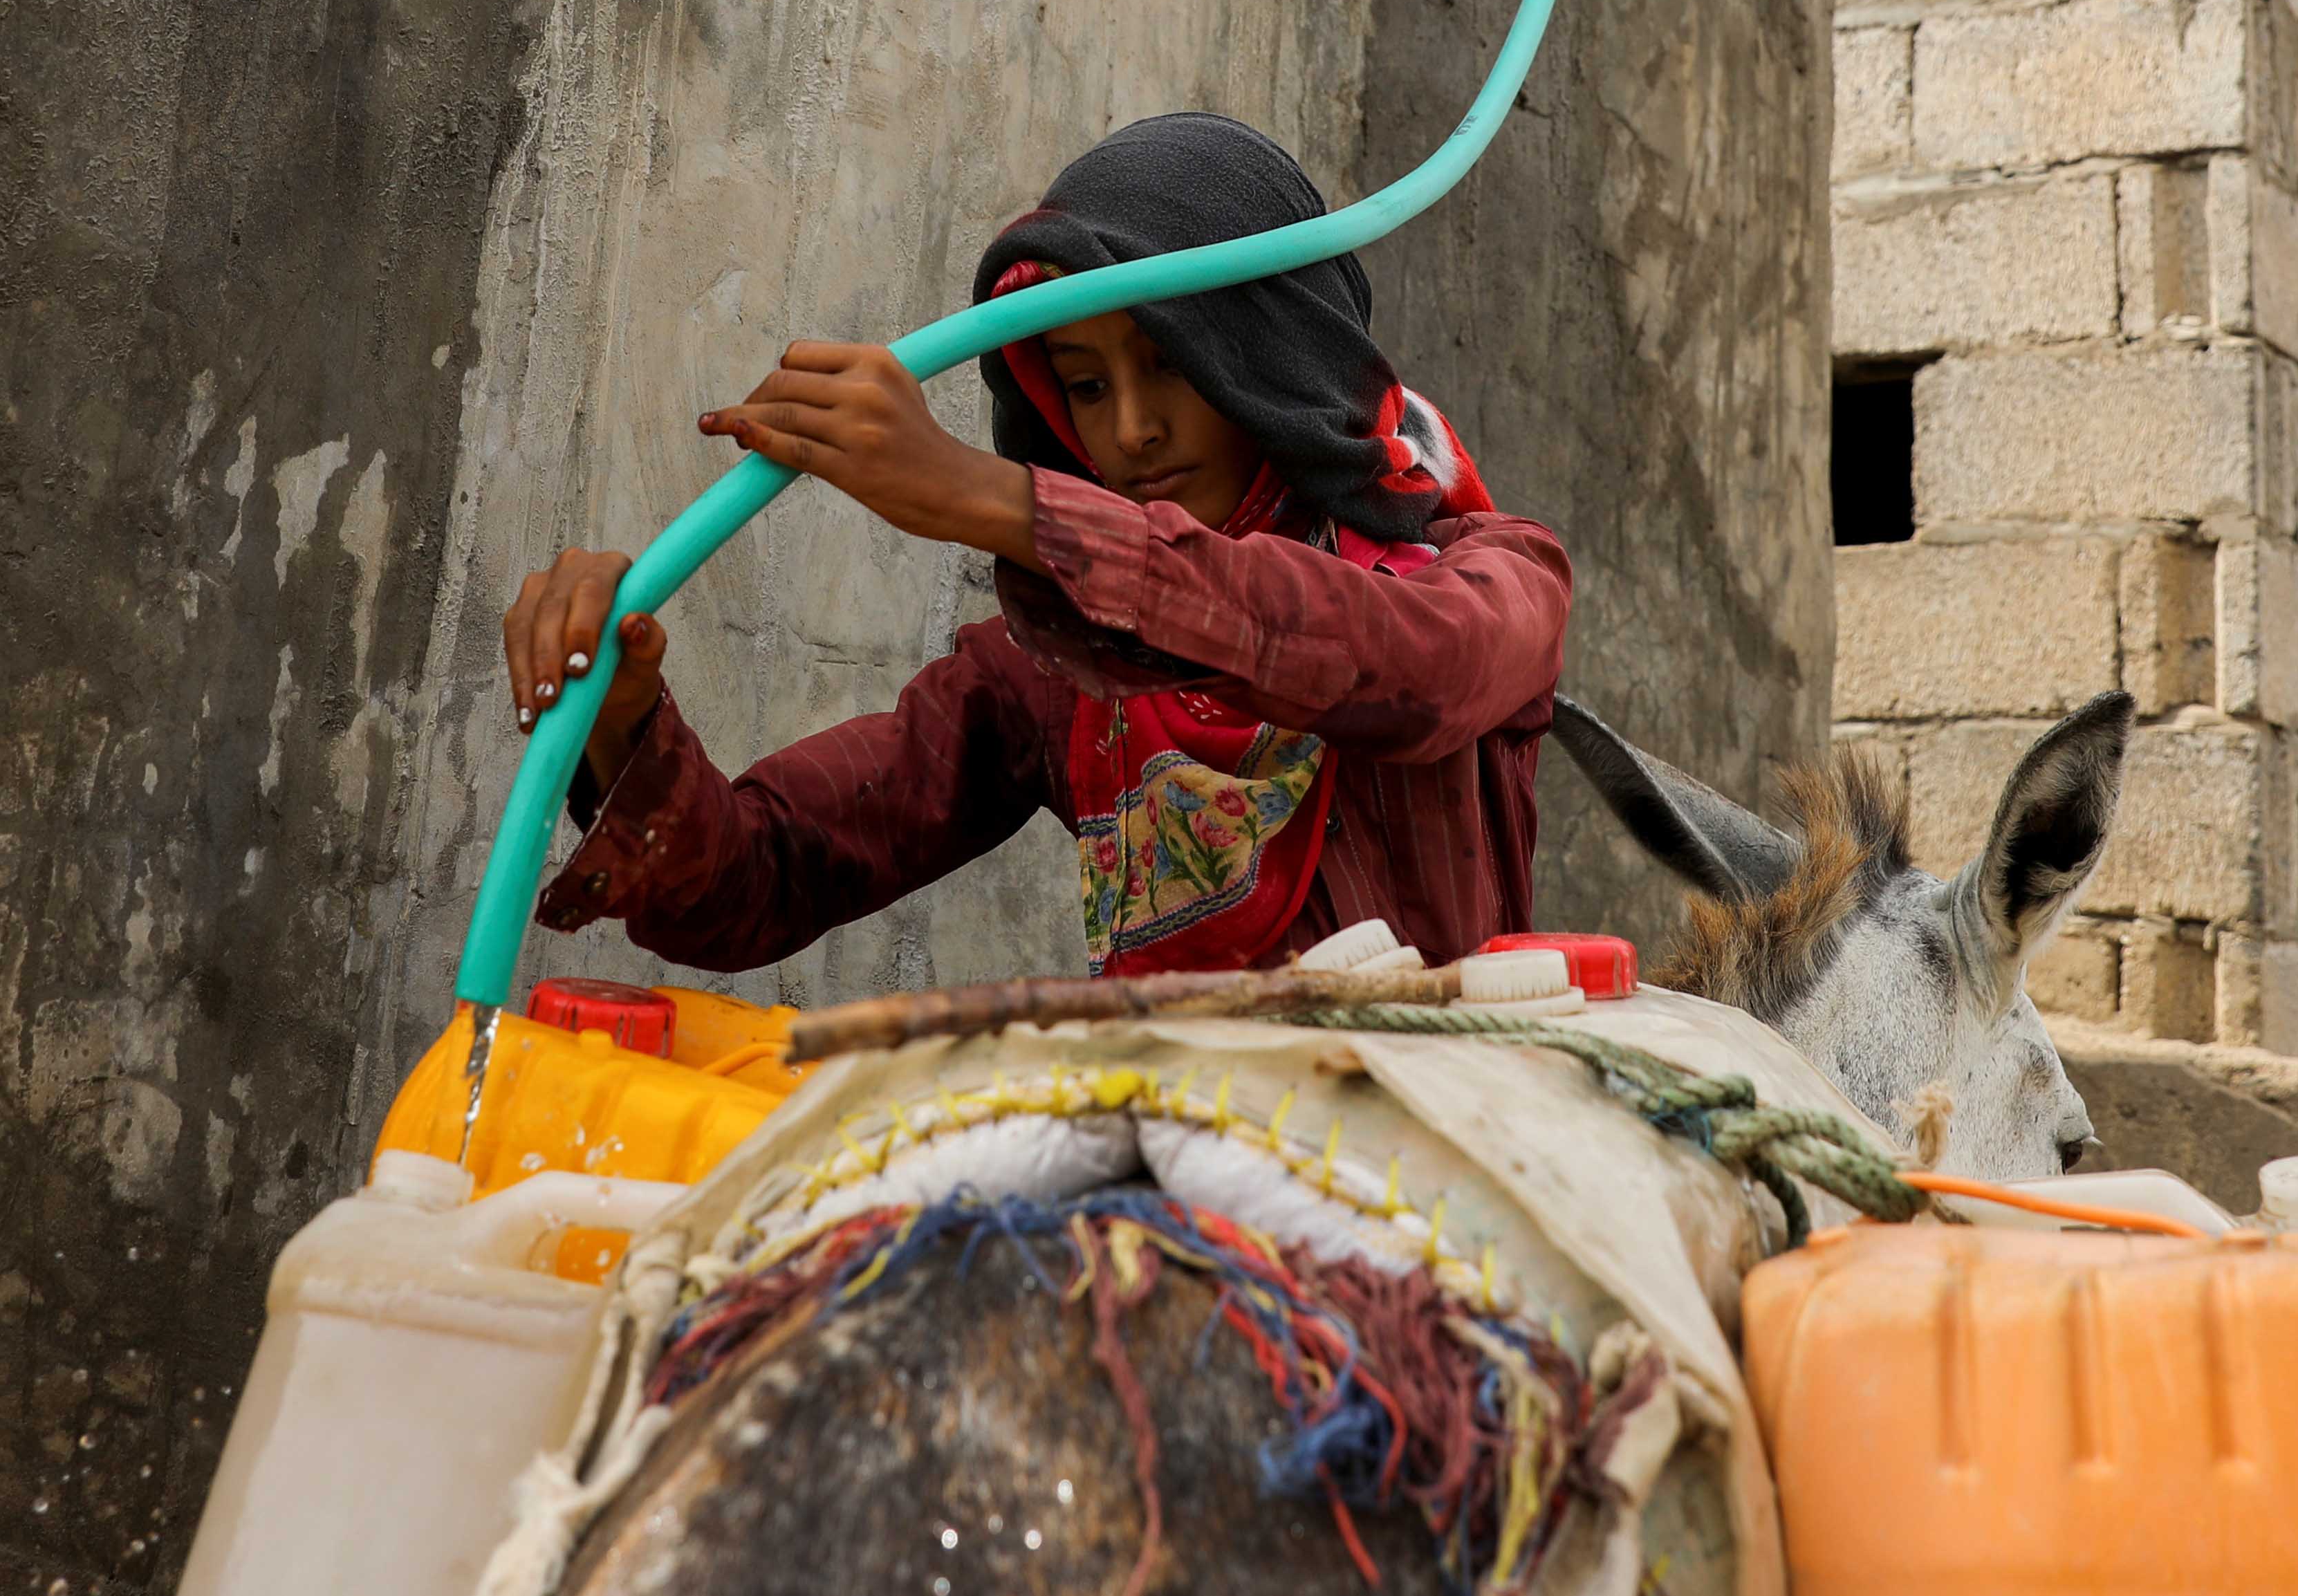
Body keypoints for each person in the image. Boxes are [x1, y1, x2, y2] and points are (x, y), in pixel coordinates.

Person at [503, 113, 1571, 978]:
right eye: (1085, 383)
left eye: (1173, 363)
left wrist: (997, 500)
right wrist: (621, 719)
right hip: (1160, 1192)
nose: (1128, 431)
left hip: (1444, 1183)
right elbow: (754, 884)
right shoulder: (1052, 668)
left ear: (1275, 356)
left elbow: (1416, 669)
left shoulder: (1493, 570)